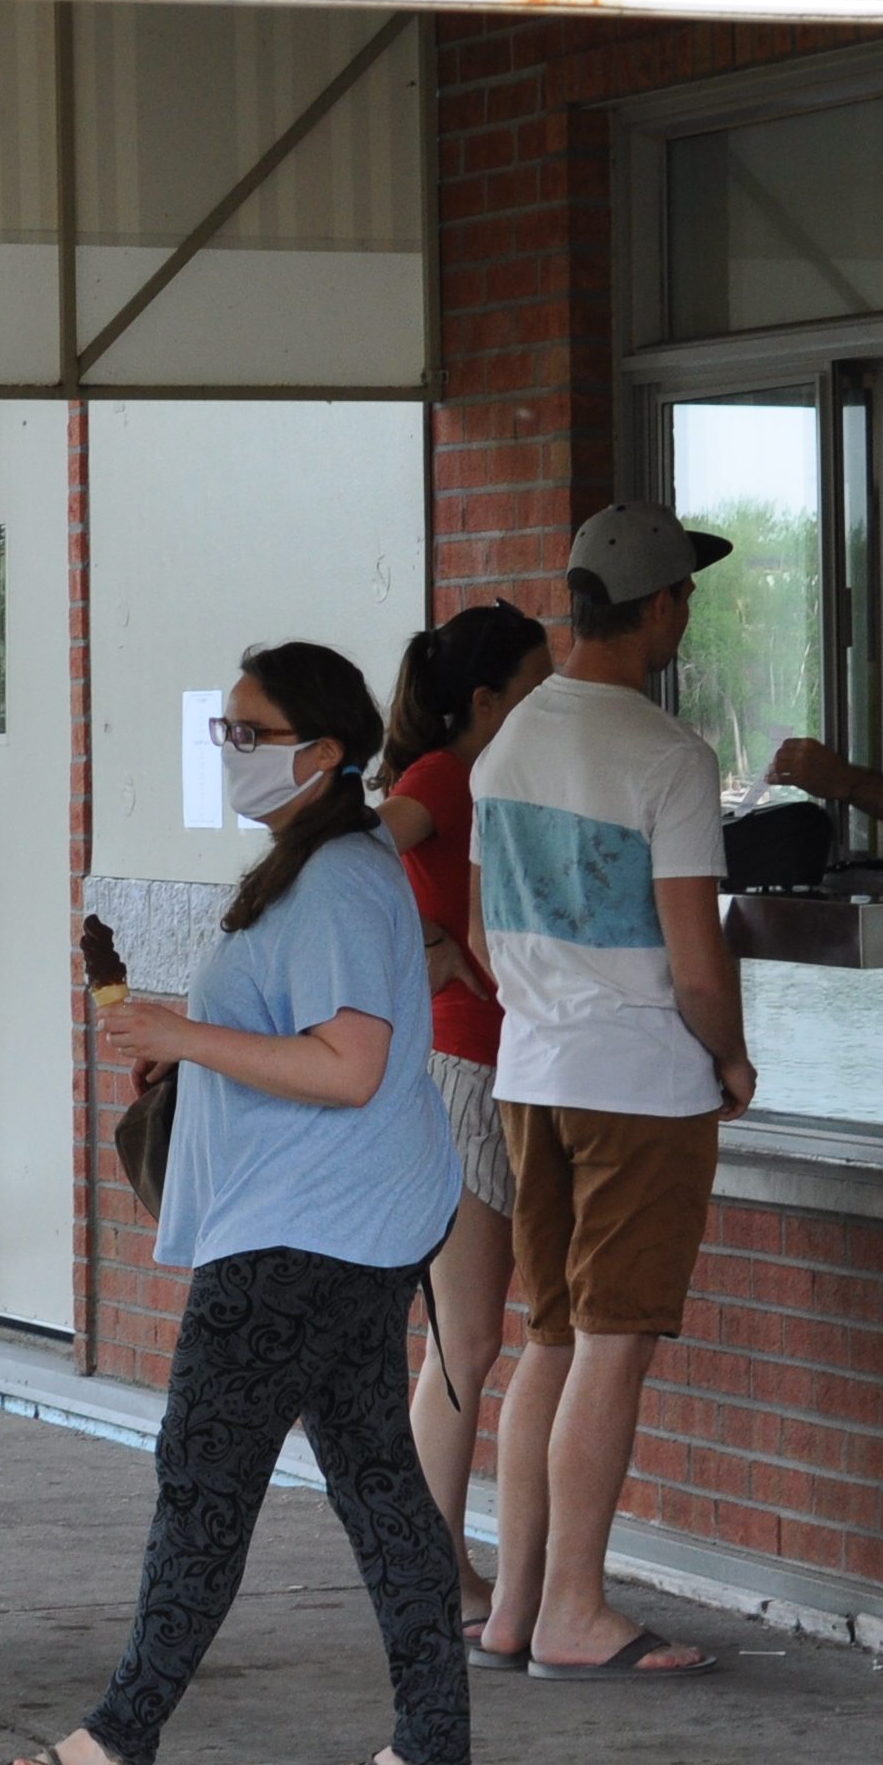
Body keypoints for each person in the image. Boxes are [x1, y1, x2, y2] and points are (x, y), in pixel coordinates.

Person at [0, 640, 477, 1765]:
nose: (232, 752)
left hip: (303, 1235)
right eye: (225, 730)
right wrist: (187, 1057)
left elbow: (351, 1063)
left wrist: (180, 1039)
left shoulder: (340, 882)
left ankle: (121, 1734)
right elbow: (305, 1042)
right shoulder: (314, 865)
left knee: (205, 1476)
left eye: (250, 734)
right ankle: (434, 1737)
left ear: (322, 752)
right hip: (334, 1223)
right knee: (376, 1481)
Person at [464, 502, 752, 1683]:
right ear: (666, 606)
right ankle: (579, 1611)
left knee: (552, 1336)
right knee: (614, 1343)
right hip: (640, 1080)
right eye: (689, 594)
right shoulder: (666, 756)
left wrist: (548, 994)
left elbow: (482, 933)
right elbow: (695, 960)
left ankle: (514, 1609)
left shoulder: (509, 742)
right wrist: (728, 1057)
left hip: (529, 1070)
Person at [374, 600, 555, 1635]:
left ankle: (436, 1560)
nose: (547, 701)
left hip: (494, 1061)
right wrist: (434, 949)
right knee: (466, 1337)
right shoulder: (443, 776)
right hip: (463, 1067)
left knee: (469, 1337)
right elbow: (356, 849)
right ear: (485, 699)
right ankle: (429, 1567)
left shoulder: (486, 777)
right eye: (532, 684)